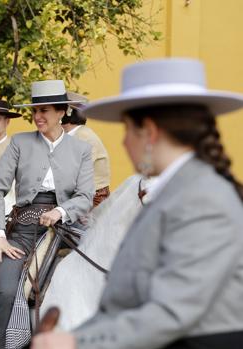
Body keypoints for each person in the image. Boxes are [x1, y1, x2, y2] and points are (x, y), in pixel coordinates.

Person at [33, 58, 243, 349]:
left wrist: (76, 342)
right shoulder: (164, 197)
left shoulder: (205, 199)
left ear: (150, 132)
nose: (123, 143)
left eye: (127, 130)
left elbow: (172, 313)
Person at [0, 80, 94, 348]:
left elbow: (85, 197)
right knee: (8, 290)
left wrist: (60, 211)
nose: (37, 117)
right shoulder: (19, 143)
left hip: (68, 228)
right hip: (23, 231)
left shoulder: (81, 150)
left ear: (61, 112)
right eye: (35, 111)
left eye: (44, 110)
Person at [61, 97, 111, 207]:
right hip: (82, 196)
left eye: (57, 109)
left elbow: (70, 175)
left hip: (93, 200)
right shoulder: (75, 134)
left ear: (67, 113)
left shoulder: (83, 137)